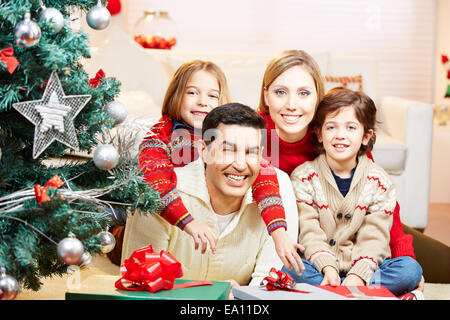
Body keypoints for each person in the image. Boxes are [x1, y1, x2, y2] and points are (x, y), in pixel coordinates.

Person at [256, 49, 429, 297]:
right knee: (287, 269)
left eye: (304, 93)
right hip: (305, 245)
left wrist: (406, 262)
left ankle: (342, 288)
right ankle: (345, 289)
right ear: (266, 95)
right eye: (280, 92)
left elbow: (384, 219)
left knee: (415, 267)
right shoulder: (253, 133)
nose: (291, 105)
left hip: (365, 231)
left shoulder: (340, 142)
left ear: (317, 98)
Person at [135, 60, 304, 274]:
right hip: (170, 210)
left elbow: (265, 181)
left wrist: (279, 232)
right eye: (192, 93)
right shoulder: (159, 139)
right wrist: (189, 223)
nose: (203, 102)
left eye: (212, 96)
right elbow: (154, 188)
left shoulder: (238, 141)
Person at [122, 103, 299, 299]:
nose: (240, 164)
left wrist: (242, 297)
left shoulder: (277, 193)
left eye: (251, 152)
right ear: (204, 151)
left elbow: (269, 284)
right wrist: (211, 294)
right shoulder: (160, 194)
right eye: (228, 150)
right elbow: (138, 285)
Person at [284, 87, 422, 296]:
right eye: (331, 127)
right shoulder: (303, 177)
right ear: (319, 134)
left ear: (366, 136)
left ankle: (339, 291)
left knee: (410, 270)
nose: (340, 135)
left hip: (366, 270)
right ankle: (348, 291)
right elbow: (308, 230)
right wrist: (327, 267)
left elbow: (374, 236)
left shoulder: (379, 181)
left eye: (350, 128)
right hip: (320, 268)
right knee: (289, 269)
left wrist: (357, 275)